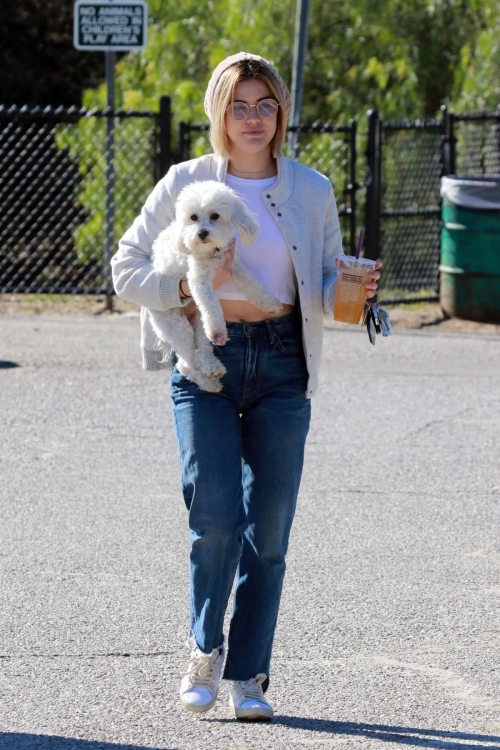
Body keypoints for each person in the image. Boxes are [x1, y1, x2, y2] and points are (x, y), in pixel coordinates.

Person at [111, 51, 382, 722]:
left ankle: (249, 676)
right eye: (239, 105)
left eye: (265, 104)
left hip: (284, 362)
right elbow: (124, 270)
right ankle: (205, 648)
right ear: (219, 112)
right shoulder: (186, 183)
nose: (253, 118)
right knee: (214, 516)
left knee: (269, 533)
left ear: (281, 113)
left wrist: (353, 291)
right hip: (204, 360)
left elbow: (318, 290)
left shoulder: (312, 189)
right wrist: (181, 286)